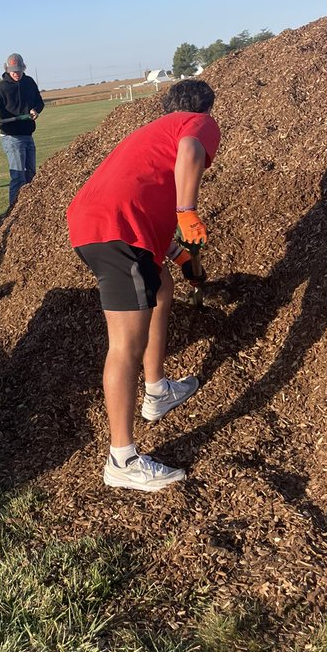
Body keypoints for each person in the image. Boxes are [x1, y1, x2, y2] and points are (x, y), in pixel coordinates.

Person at [66, 79, 220, 492]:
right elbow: (190, 152)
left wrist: (180, 254)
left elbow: (141, 199)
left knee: (161, 286)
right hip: (117, 230)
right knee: (124, 346)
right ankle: (122, 459)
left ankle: (157, 390)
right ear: (202, 109)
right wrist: (187, 211)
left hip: (95, 224)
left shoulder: (150, 136)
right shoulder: (196, 123)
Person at [0, 52, 45, 205]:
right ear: (7, 69)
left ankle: (29, 207)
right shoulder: (1, 88)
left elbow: (39, 102)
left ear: (23, 68)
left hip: (27, 135)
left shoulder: (29, 82)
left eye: (18, 70)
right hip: (11, 137)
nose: (16, 73)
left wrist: (35, 110)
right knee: (18, 176)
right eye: (13, 71)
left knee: (31, 175)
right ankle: (13, 211)